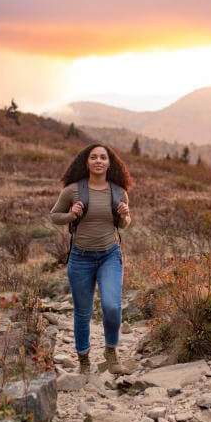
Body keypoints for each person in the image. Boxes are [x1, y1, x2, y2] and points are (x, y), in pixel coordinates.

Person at [49, 144, 133, 374]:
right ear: (86, 162)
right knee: (83, 312)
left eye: (103, 157)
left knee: (112, 307)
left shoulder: (118, 192)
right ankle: (84, 360)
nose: (98, 161)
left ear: (109, 163)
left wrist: (125, 216)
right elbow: (55, 216)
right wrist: (71, 214)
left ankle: (111, 354)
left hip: (110, 255)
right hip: (81, 258)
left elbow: (124, 224)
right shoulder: (73, 190)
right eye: (93, 157)